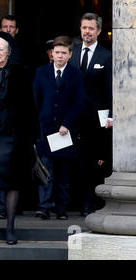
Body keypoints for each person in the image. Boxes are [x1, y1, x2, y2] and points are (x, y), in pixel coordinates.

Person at [0, 32, 39, 245]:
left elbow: (30, 105)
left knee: (14, 181)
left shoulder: (21, 73)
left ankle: (11, 225)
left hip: (16, 135)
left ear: (9, 51)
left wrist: (33, 136)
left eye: (1, 49)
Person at [33, 36, 85, 220]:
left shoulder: (76, 74)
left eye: (64, 53)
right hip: (45, 130)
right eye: (57, 52)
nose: (60, 56)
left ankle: (61, 208)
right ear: (51, 54)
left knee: (63, 173)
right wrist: (39, 124)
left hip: (65, 131)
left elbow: (79, 102)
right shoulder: (41, 72)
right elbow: (36, 99)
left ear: (70, 54)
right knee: (45, 171)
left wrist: (67, 123)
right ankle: (44, 207)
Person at [69, 13, 113, 216]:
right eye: (84, 27)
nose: (86, 31)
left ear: (99, 31)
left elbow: (111, 88)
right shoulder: (73, 52)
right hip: (73, 116)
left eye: (91, 28)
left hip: (97, 118)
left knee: (93, 162)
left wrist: (111, 116)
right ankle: (71, 203)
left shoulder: (107, 55)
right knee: (73, 160)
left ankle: (89, 203)